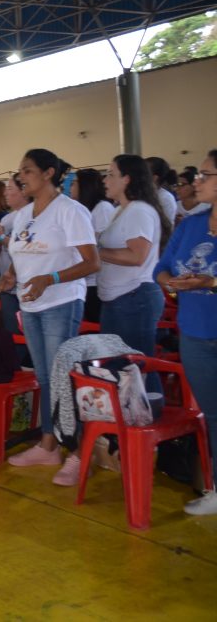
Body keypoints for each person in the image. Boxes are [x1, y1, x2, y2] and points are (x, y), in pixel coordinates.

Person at [0, 148, 99, 484]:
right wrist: (12, 273)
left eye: (26, 170)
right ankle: (48, 444)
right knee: (44, 377)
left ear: (49, 173)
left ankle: (79, 451)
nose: (20, 177)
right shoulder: (25, 213)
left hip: (61, 302)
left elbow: (91, 262)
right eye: (20, 171)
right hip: (31, 304)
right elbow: (22, 249)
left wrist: (50, 279)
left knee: (64, 378)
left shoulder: (70, 211)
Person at [155, 149, 217, 516]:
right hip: (195, 331)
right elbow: (161, 267)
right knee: (212, 414)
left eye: (206, 175)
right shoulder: (191, 224)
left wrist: (210, 280)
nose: (197, 182)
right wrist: (173, 283)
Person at [97, 154, 170, 392]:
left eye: (111, 174)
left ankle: (151, 415)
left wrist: (97, 252)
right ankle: (129, 419)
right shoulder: (122, 210)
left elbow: (136, 256)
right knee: (122, 367)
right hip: (119, 299)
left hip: (134, 297)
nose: (105, 180)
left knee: (137, 367)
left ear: (127, 179)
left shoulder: (138, 210)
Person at [0, 173, 33, 345]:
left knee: (28, 337)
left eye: (10, 188)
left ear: (24, 191)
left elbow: (28, 251)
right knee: (12, 335)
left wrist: (0, 238)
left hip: (28, 287)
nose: (5, 193)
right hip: (7, 287)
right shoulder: (7, 219)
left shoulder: (33, 216)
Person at [68, 168, 114, 323]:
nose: (70, 187)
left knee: (95, 325)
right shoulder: (81, 209)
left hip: (96, 281)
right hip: (84, 279)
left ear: (85, 186)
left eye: (74, 183)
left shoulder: (102, 208)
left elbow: (97, 242)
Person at [147, 156, 178, 225]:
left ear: (154, 178)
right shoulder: (141, 195)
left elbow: (165, 227)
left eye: (142, 172)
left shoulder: (165, 198)